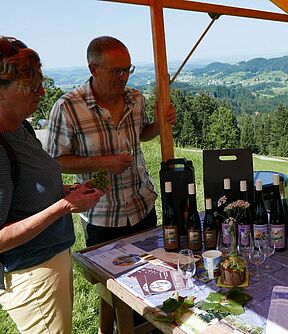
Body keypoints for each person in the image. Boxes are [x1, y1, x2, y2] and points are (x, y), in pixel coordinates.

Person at [45, 35, 175, 332]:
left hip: (142, 206)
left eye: (128, 69)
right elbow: (55, 161)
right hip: (102, 216)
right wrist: (103, 162)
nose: (123, 77)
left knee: (151, 283)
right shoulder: (67, 108)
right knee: (117, 291)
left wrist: (160, 123)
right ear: (93, 68)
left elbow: (143, 135)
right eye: (116, 71)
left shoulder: (136, 99)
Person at [0, 36, 105, 333]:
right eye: (31, 87)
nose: (42, 92)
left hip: (50, 261)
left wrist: (62, 193)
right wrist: (63, 206)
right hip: (30, 272)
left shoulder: (21, 127)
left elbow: (26, 193)